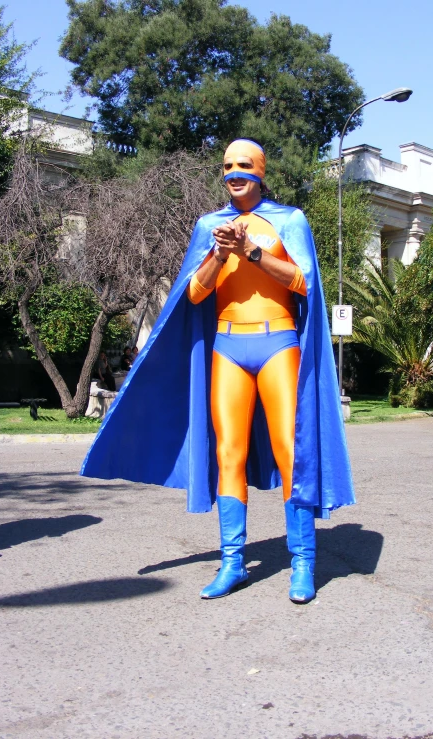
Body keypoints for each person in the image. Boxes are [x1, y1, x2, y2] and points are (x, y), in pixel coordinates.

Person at [81, 139, 355, 603]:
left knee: (292, 451)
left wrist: (251, 253)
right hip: (228, 347)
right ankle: (233, 563)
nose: (234, 173)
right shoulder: (210, 225)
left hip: (279, 342)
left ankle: (303, 563)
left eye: (244, 165)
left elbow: (304, 283)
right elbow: (193, 295)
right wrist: (219, 254)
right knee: (228, 454)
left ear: (261, 171)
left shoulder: (289, 220)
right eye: (227, 166)